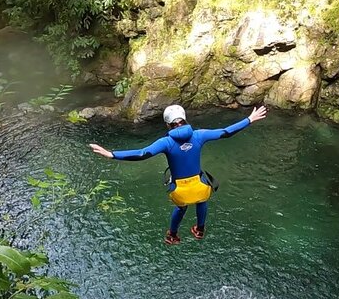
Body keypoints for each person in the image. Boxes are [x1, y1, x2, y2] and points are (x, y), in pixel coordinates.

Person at [89, 104, 268, 245]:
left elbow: (143, 154)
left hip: (180, 192)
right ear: (184, 119)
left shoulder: (166, 142)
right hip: (200, 188)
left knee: (181, 207)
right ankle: (200, 229)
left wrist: (112, 154)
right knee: (202, 196)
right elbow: (226, 132)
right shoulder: (199, 135)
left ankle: (173, 235)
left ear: (168, 124)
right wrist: (249, 119)